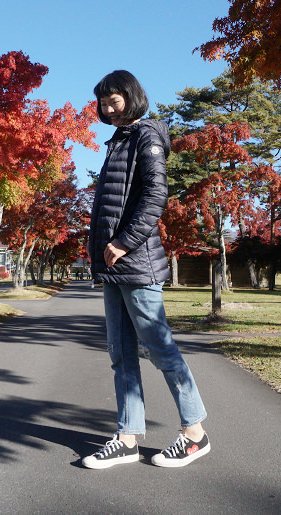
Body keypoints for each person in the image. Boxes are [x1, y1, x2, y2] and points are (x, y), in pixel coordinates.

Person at [82, 69, 209, 470]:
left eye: (113, 99)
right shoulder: (117, 141)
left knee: (160, 349)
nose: (107, 106)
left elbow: (156, 195)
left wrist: (122, 242)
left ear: (131, 96)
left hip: (134, 263)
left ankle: (195, 435)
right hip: (113, 266)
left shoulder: (146, 136)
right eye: (102, 101)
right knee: (121, 354)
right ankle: (128, 438)